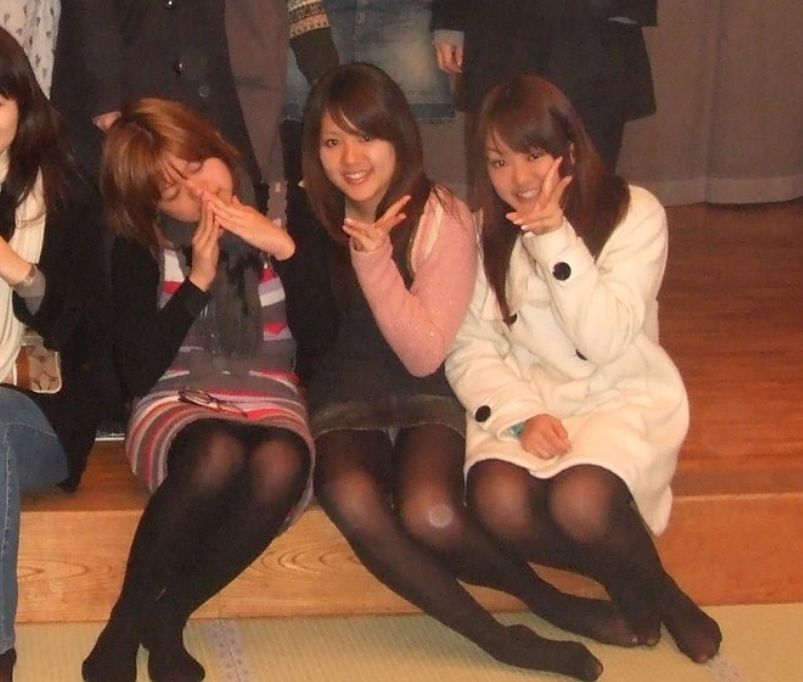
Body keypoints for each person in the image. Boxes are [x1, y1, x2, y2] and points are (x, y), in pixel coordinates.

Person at [299, 62, 641, 681]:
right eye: (331, 140)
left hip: (426, 389)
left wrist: (374, 261)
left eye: (367, 136)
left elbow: (424, 353)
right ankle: (501, 641)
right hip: (343, 397)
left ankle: (546, 599)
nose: (350, 158)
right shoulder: (306, 214)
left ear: (398, 136)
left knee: (431, 510)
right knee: (352, 497)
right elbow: (311, 338)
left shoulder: (444, 216)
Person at [445, 74, 723, 666]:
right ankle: (650, 593)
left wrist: (555, 239)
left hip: (615, 390)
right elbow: (470, 348)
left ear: (568, 148)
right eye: (498, 161)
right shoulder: (481, 229)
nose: (518, 177)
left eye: (533, 154)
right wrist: (521, 416)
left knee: (581, 501)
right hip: (529, 395)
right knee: (496, 500)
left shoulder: (633, 212)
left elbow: (604, 341)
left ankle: (657, 601)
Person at [81, 98, 314, 682]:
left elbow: (324, 340)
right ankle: (124, 625)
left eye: (197, 165)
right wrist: (199, 281)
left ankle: (169, 615)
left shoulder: (283, 210)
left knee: (283, 461)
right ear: (152, 203)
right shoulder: (142, 244)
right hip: (176, 396)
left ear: (216, 146)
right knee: (216, 451)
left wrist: (283, 249)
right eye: (173, 190)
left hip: (271, 394)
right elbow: (137, 371)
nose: (199, 191)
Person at [0, 27, 102, 682]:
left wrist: (17, 269)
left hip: (42, 409)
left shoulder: (64, 193)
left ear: (21, 104)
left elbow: (87, 331)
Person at [431, 0, 657, 170]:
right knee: (506, 171)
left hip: (592, 36)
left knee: (588, 180)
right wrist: (450, 17)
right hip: (500, 32)